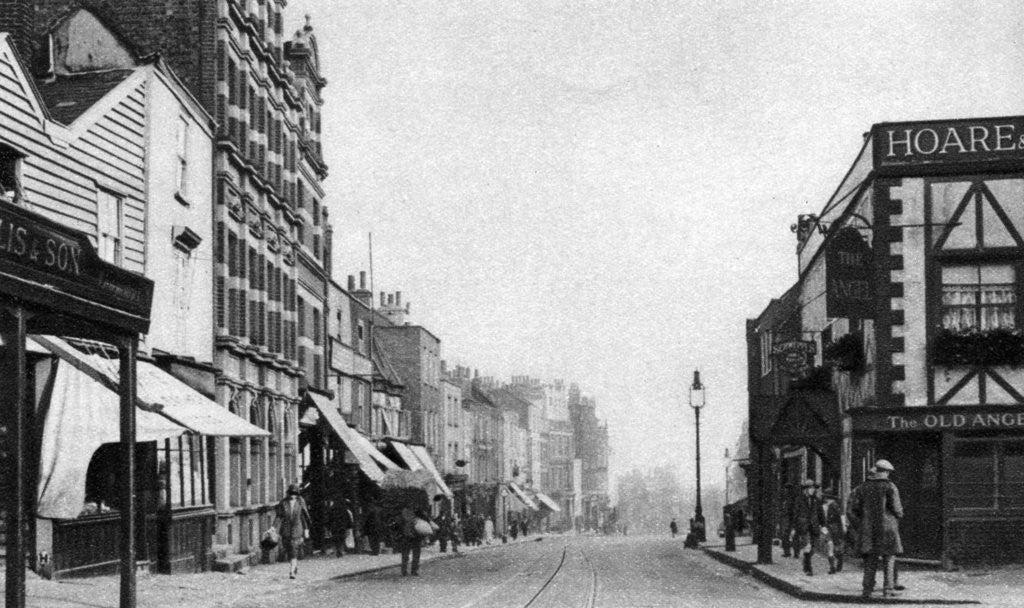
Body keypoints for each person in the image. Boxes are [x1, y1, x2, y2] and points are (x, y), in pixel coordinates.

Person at [847, 459, 904, 598]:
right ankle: (888, 589)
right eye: (888, 472)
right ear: (884, 472)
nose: (888, 474)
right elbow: (897, 509)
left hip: (868, 530)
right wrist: (898, 516)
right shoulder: (890, 487)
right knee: (889, 558)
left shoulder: (861, 488)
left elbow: (851, 511)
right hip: (887, 529)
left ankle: (867, 590)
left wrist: (860, 525)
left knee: (870, 560)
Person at [272, 483, 311, 580]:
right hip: (285, 530)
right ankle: (294, 564)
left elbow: (304, 517)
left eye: (295, 493)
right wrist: (273, 527)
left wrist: (306, 529)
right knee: (288, 549)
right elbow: (279, 516)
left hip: (297, 529)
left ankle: (292, 571)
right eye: (291, 493)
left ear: (297, 494)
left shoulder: (301, 502)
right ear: (288, 493)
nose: (293, 495)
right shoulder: (283, 503)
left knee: (294, 549)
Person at [793, 479, 823, 576]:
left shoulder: (817, 500)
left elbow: (821, 513)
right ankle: (809, 568)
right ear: (805, 490)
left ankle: (806, 561)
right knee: (808, 546)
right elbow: (795, 514)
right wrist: (794, 528)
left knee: (814, 548)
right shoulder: (799, 500)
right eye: (809, 488)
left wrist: (824, 525)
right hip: (804, 527)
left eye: (813, 488)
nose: (812, 490)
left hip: (814, 526)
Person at [392, 506, 425, 576]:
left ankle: (404, 570)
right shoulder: (418, 513)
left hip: (406, 537)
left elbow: (397, 526)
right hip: (416, 537)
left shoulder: (403, 515)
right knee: (416, 555)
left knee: (405, 555)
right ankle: (414, 571)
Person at [820, 489, 846, 574]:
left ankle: (838, 561)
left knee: (835, 547)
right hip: (829, 529)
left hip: (835, 528)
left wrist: (843, 526)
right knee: (830, 546)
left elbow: (841, 516)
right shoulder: (824, 506)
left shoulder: (834, 505)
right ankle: (832, 567)